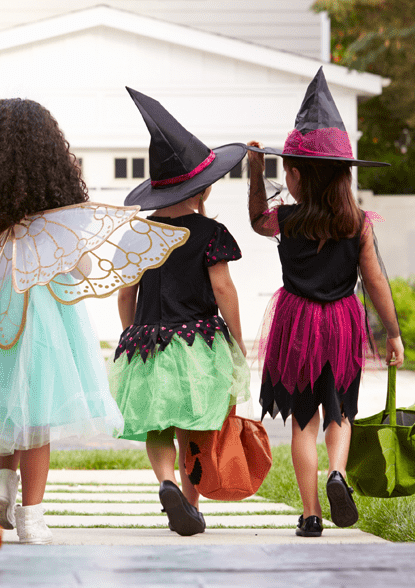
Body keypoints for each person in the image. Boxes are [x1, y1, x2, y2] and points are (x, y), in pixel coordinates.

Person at [0, 98, 188, 544]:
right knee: (37, 414)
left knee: (7, 400)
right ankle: (33, 517)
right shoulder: (57, 216)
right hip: (44, 318)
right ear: (50, 159)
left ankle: (3, 483)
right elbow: (80, 268)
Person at [245, 68, 404, 537]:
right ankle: (338, 472)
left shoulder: (286, 220)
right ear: (343, 176)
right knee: (340, 412)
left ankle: (311, 513)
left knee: (302, 420)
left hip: (296, 324)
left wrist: (255, 169)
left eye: (287, 172)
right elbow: (374, 280)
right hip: (341, 322)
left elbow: (256, 219)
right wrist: (392, 332)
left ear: (293, 176)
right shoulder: (358, 221)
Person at [108, 88, 251, 536]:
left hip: (148, 341)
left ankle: (166, 483)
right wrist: (238, 338)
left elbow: (123, 294)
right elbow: (223, 287)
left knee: (157, 424)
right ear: (203, 187)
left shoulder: (138, 236)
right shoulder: (210, 232)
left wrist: (132, 331)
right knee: (196, 423)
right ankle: (190, 503)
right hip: (199, 343)